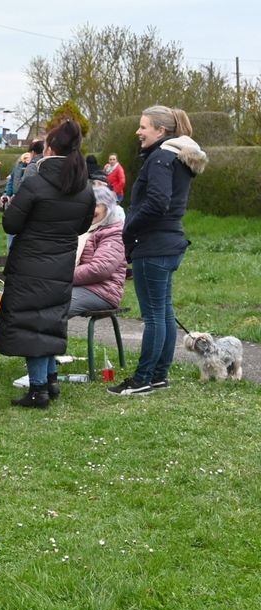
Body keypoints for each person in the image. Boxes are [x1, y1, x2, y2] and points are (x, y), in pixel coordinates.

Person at [0, 119, 95, 408]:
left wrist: (8, 206)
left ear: (49, 148)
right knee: (49, 319)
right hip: (62, 262)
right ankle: (50, 380)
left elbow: (12, 225)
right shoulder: (85, 188)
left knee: (31, 323)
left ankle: (38, 389)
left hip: (31, 262)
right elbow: (81, 227)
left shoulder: (36, 183)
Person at [108, 106, 207, 395]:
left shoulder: (161, 158)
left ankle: (143, 379)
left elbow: (157, 203)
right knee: (162, 312)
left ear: (161, 131)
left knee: (154, 315)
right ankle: (159, 375)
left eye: (144, 127)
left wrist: (128, 229)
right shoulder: (175, 158)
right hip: (169, 242)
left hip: (154, 245)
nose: (138, 132)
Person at [69, 183, 126, 316]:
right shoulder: (84, 229)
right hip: (77, 285)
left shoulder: (115, 233)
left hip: (102, 291)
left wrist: (63, 275)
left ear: (108, 208)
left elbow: (99, 269)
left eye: (96, 205)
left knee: (55, 308)